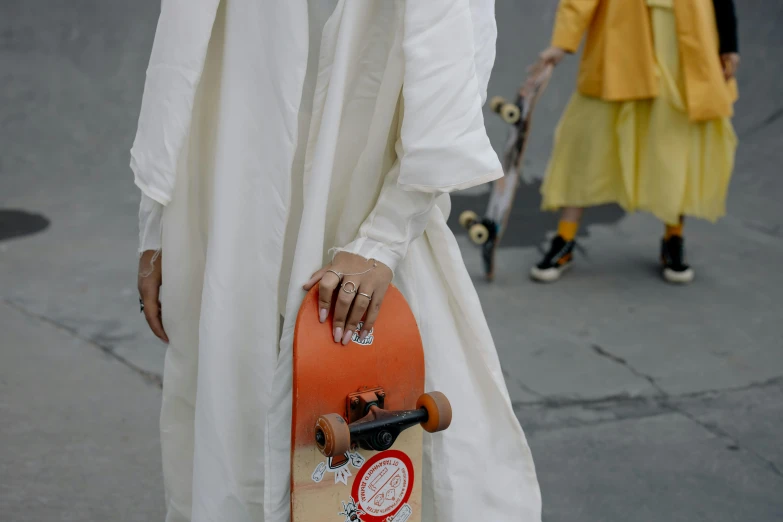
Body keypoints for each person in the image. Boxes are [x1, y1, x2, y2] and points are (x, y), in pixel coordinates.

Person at [133, 1, 541, 521]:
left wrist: (384, 237)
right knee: (234, 444)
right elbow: (179, 53)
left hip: (362, 214)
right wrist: (158, 222)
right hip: (227, 214)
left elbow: (453, 68)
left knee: (375, 460)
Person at [529, 0, 740, 284]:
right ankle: (565, 237)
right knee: (588, 139)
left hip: (684, 39)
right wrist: (562, 42)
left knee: (675, 140)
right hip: (621, 38)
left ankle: (673, 237)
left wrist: (728, 44)